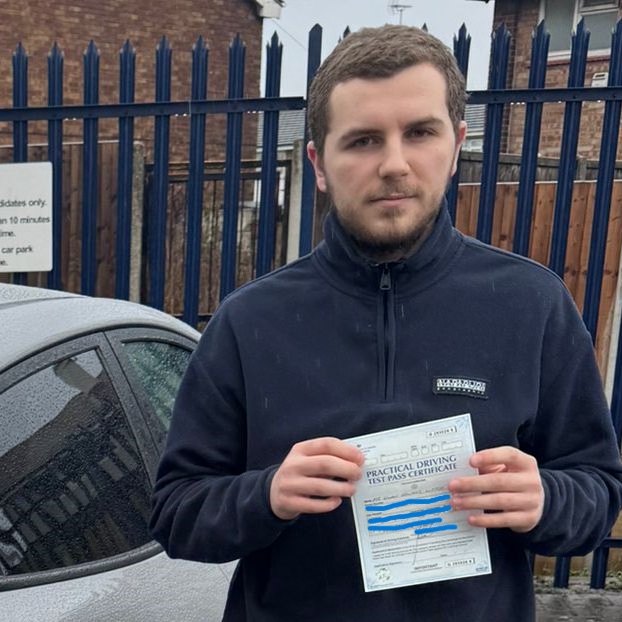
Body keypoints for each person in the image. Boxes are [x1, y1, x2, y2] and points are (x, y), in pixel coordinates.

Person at [149, 24, 622, 621]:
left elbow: (597, 490)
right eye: (364, 140)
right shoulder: (249, 322)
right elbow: (175, 514)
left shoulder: (533, 304)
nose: (394, 164)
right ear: (320, 163)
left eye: (420, 133)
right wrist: (265, 495)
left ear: (456, 148)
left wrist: (546, 499)